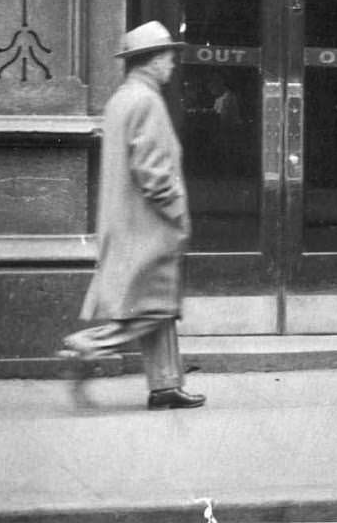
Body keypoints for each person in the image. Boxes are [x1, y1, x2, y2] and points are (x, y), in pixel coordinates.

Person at [59, 21, 205, 410]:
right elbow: (154, 173)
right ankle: (85, 348)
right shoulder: (146, 101)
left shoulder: (123, 98)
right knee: (152, 307)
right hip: (150, 224)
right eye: (168, 55)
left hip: (128, 223)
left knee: (157, 304)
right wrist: (177, 214)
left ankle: (165, 385)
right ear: (152, 60)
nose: (173, 63)